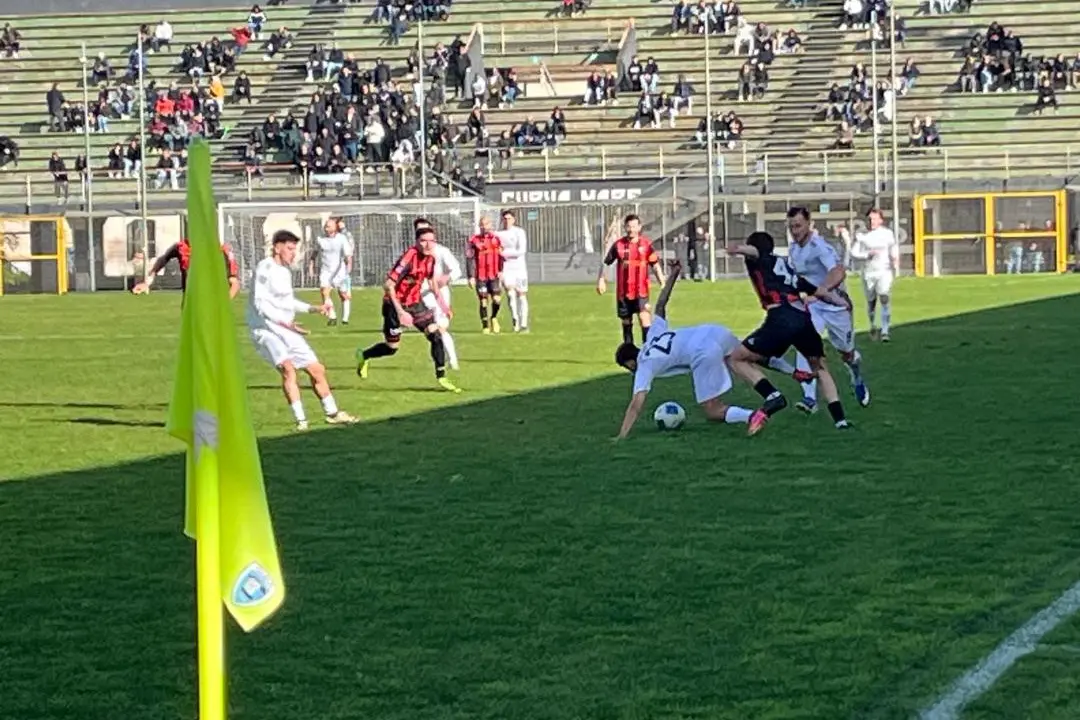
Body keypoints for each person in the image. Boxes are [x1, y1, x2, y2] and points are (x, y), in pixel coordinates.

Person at [613, 265, 761, 440]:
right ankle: (794, 376)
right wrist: (674, 274)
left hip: (702, 354)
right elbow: (660, 305)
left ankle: (752, 416)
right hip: (710, 334)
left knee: (712, 411)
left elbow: (636, 403)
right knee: (748, 358)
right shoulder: (652, 337)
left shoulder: (644, 365)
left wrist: (622, 435)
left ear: (630, 363)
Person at [725, 231, 852, 435]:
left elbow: (755, 251)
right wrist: (841, 302)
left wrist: (738, 249)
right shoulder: (786, 266)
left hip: (781, 317)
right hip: (802, 317)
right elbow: (818, 291)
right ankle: (841, 421)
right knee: (820, 368)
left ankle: (773, 396)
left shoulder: (759, 259)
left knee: (737, 358)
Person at [247, 230, 358, 430]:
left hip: (286, 328)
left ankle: (332, 413)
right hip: (265, 330)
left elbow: (287, 301)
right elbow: (259, 304)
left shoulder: (285, 272)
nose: (293, 253)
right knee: (288, 369)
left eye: (294, 249)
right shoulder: (265, 268)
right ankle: (301, 421)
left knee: (317, 370)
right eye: (289, 248)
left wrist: (312, 308)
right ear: (277, 247)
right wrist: (284, 322)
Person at [355, 225, 462, 393]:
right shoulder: (408, 258)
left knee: (435, 334)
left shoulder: (431, 259)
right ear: (416, 242)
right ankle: (365, 355)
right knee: (392, 348)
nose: (428, 245)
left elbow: (433, 283)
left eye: (431, 241)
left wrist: (443, 306)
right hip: (394, 304)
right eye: (423, 241)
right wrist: (401, 312)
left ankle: (442, 377)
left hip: (415, 302)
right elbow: (388, 285)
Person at [785, 206, 870, 411]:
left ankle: (856, 376)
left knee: (847, 354)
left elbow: (838, 272)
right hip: (813, 307)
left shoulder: (820, 247)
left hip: (836, 306)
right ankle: (809, 398)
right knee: (806, 345)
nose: (795, 231)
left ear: (808, 224)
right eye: (791, 227)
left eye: (798, 226)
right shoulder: (794, 249)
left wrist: (821, 291)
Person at [597, 213, 666, 344]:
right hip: (623, 292)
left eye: (634, 226)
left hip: (641, 290)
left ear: (639, 227)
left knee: (644, 317)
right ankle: (630, 351)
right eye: (629, 226)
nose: (631, 229)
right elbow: (606, 262)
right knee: (626, 320)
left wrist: (661, 280)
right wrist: (601, 279)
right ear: (625, 227)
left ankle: (647, 349)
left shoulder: (646, 245)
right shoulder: (619, 245)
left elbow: (655, 264)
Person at [842, 208, 898, 342]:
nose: (872, 221)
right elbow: (854, 253)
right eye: (870, 219)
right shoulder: (862, 235)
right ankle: (873, 324)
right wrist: (867, 255)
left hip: (884, 270)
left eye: (874, 219)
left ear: (881, 220)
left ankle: (885, 330)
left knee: (884, 296)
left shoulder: (887, 234)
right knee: (871, 302)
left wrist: (895, 259)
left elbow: (893, 247)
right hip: (868, 273)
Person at [416, 217, 463, 371]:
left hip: (439, 293)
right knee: (434, 329)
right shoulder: (412, 254)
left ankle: (451, 361)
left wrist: (445, 278)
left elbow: (457, 270)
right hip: (421, 294)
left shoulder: (442, 251)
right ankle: (445, 361)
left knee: (439, 328)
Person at [132, 236, 240, 299]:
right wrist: (147, 282)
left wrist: (223, 303)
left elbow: (234, 283)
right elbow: (163, 259)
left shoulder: (219, 253)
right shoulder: (182, 248)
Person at [308, 217, 353, 326]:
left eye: (328, 226)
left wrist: (348, 268)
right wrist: (311, 265)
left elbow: (348, 256)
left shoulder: (341, 238)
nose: (326, 228)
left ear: (335, 228)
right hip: (326, 271)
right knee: (324, 292)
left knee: (343, 295)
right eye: (325, 226)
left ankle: (345, 319)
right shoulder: (320, 239)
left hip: (340, 271)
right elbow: (314, 253)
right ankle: (332, 316)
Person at [466, 215, 505, 334]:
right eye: (482, 225)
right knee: (483, 301)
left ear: (491, 225)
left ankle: (493, 317)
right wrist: (471, 276)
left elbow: (500, 256)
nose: (484, 227)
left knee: (497, 300)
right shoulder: (473, 240)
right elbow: (470, 258)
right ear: (479, 226)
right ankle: (485, 326)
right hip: (480, 276)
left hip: (493, 275)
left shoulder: (496, 239)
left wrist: (501, 270)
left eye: (486, 224)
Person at [497, 209, 530, 332]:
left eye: (509, 219)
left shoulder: (519, 232)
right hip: (507, 268)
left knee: (521, 294)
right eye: (505, 219)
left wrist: (503, 253)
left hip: (520, 268)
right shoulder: (499, 234)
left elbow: (521, 251)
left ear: (514, 219)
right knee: (510, 294)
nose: (507, 221)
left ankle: (524, 323)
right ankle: (515, 320)